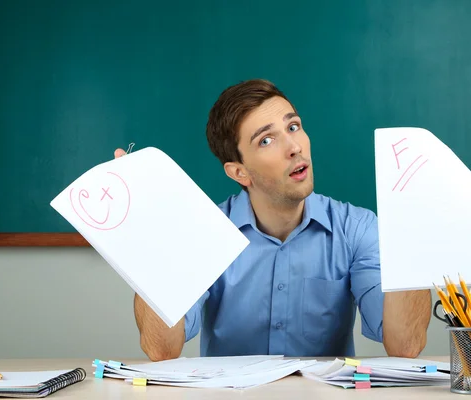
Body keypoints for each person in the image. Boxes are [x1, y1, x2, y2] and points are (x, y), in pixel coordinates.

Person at [115, 79, 431, 361]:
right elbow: (162, 349)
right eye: (266, 140)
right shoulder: (206, 232)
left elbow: (405, 345)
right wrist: (149, 233)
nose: (294, 147)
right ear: (239, 172)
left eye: (293, 127)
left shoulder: (356, 228)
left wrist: (408, 226)